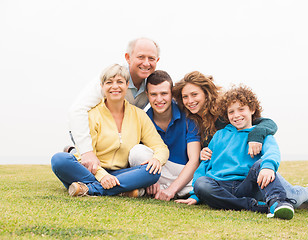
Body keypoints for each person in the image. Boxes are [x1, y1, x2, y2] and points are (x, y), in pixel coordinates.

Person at [175, 83, 308, 215]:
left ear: (252, 110)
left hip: (252, 184)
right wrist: (196, 195)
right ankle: (258, 207)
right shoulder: (219, 136)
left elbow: (272, 152)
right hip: (222, 185)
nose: (236, 115)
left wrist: (267, 167)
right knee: (202, 183)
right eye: (231, 112)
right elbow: (204, 165)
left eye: (241, 109)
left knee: (289, 196)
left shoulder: (259, 134)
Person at [51, 64, 169, 197]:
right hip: (93, 171)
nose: (115, 86)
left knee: (152, 171)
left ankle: (88, 189)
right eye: (109, 82)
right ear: (102, 86)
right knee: (59, 159)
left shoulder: (139, 115)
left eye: (120, 82)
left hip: (122, 173)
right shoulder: (93, 115)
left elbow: (161, 147)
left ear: (127, 85)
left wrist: (157, 159)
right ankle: (122, 190)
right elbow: (83, 155)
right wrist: (102, 176)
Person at [67, 37, 160, 176]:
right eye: (141, 57)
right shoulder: (112, 79)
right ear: (128, 58)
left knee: (138, 156)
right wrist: (87, 152)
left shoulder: (153, 84)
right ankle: (77, 153)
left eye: (151, 58)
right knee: (82, 163)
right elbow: (77, 111)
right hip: (90, 132)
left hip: (121, 134)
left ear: (157, 61)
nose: (146, 63)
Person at [130, 70, 201, 201]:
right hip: (158, 171)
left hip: (185, 174)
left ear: (172, 93)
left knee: (201, 182)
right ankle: (152, 185)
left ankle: (162, 190)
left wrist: (171, 190)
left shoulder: (188, 115)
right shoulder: (144, 119)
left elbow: (194, 160)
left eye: (164, 93)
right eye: (153, 94)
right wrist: (150, 179)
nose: (159, 99)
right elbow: (141, 158)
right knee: (136, 152)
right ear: (147, 95)